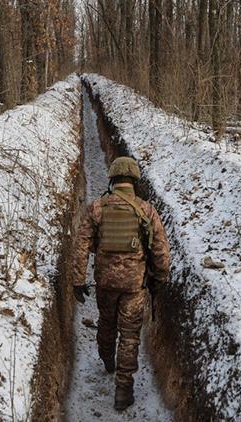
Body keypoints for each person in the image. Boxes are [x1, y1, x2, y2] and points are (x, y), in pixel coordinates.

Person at [70, 156, 172, 411]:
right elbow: (161, 253)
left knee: (106, 323)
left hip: (105, 283)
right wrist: (159, 280)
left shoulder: (97, 208)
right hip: (134, 286)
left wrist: (77, 280)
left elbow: (81, 245)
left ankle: (107, 359)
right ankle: (123, 389)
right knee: (129, 335)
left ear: (113, 179)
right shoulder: (146, 210)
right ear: (134, 180)